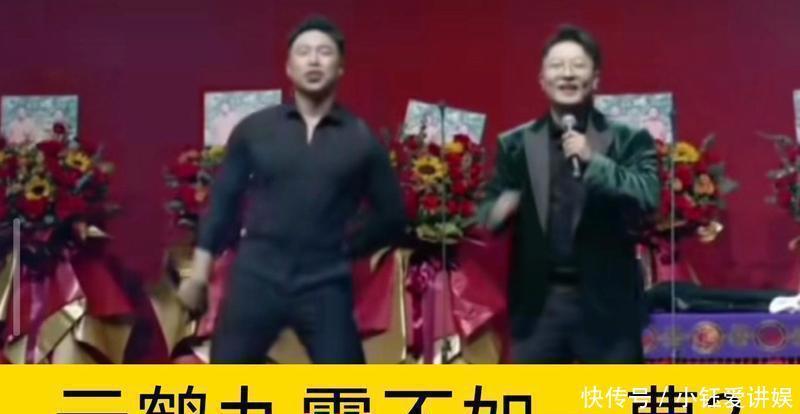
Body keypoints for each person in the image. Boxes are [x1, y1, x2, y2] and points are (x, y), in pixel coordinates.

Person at [178, 16, 406, 363]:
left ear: (340, 68)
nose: (313, 60)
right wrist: (198, 275)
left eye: (324, 52)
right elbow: (222, 204)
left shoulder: (361, 139)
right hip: (256, 278)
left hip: (325, 283)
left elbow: (392, 216)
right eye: (303, 52)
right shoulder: (255, 129)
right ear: (288, 67)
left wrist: (347, 246)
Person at [479, 25, 660, 363]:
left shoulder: (629, 139)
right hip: (539, 306)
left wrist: (595, 161)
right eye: (557, 66)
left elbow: (648, 196)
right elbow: (486, 209)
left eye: (578, 65)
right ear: (542, 80)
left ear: (596, 79)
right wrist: (497, 211)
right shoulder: (516, 144)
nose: (567, 74)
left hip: (608, 306)